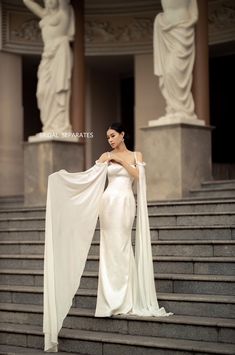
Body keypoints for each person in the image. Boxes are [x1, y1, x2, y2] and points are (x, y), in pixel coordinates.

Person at [43, 122, 173, 352]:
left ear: (123, 135)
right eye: (107, 137)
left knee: (122, 246)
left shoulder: (135, 154)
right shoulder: (104, 156)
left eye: (113, 136)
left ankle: (125, 299)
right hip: (108, 202)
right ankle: (109, 302)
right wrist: (64, 181)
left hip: (125, 203)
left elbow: (137, 176)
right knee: (109, 249)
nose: (110, 140)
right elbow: (90, 177)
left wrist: (120, 161)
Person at [22, 0, 75, 134]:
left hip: (60, 53)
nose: (50, 2)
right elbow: (29, 3)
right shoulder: (45, 15)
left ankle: (60, 125)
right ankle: (49, 126)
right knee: (42, 91)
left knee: (58, 88)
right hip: (47, 55)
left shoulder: (63, 12)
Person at [153, 0, 198, 121]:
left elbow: (194, 15)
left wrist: (183, 24)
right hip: (165, 31)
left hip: (182, 29)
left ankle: (183, 108)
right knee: (167, 72)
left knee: (172, 70)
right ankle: (173, 107)